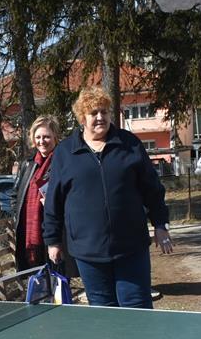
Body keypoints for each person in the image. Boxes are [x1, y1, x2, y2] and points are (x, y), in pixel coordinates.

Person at [43, 86, 172, 308]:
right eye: (93, 113)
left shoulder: (129, 144)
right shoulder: (65, 152)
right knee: (103, 311)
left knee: (137, 306)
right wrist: (52, 240)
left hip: (131, 246)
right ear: (82, 117)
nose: (100, 117)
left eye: (104, 111)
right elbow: (54, 200)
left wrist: (160, 224)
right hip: (88, 250)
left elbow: (152, 190)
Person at [13, 115, 76, 277]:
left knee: (58, 283)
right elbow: (16, 196)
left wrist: (54, 203)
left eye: (46, 137)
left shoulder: (65, 162)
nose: (42, 141)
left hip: (56, 233)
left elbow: (75, 196)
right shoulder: (28, 164)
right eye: (38, 137)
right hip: (30, 235)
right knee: (37, 283)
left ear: (55, 137)